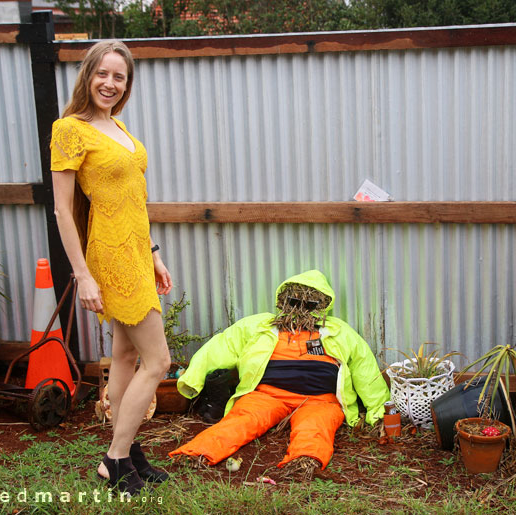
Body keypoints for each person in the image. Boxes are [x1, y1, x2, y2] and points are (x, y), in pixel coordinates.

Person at [50, 40, 172, 496]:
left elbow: (133, 202)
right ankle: (115, 459)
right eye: (103, 73)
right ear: (88, 75)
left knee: (124, 356)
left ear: (127, 84)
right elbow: (64, 211)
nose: (110, 83)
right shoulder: (70, 130)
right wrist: (82, 274)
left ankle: (130, 450)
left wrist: (154, 251)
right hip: (111, 257)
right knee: (158, 360)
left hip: (138, 253)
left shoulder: (117, 127)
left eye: (119, 76)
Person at [169, 270, 390, 479]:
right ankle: (197, 453)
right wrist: (192, 379)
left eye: (310, 304)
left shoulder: (338, 331)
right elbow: (221, 347)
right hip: (267, 395)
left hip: (320, 400)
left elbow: (364, 367)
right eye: (293, 303)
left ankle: (304, 462)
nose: (300, 309)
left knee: (315, 426)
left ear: (322, 305)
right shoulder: (259, 326)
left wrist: (378, 411)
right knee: (243, 420)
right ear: (283, 302)